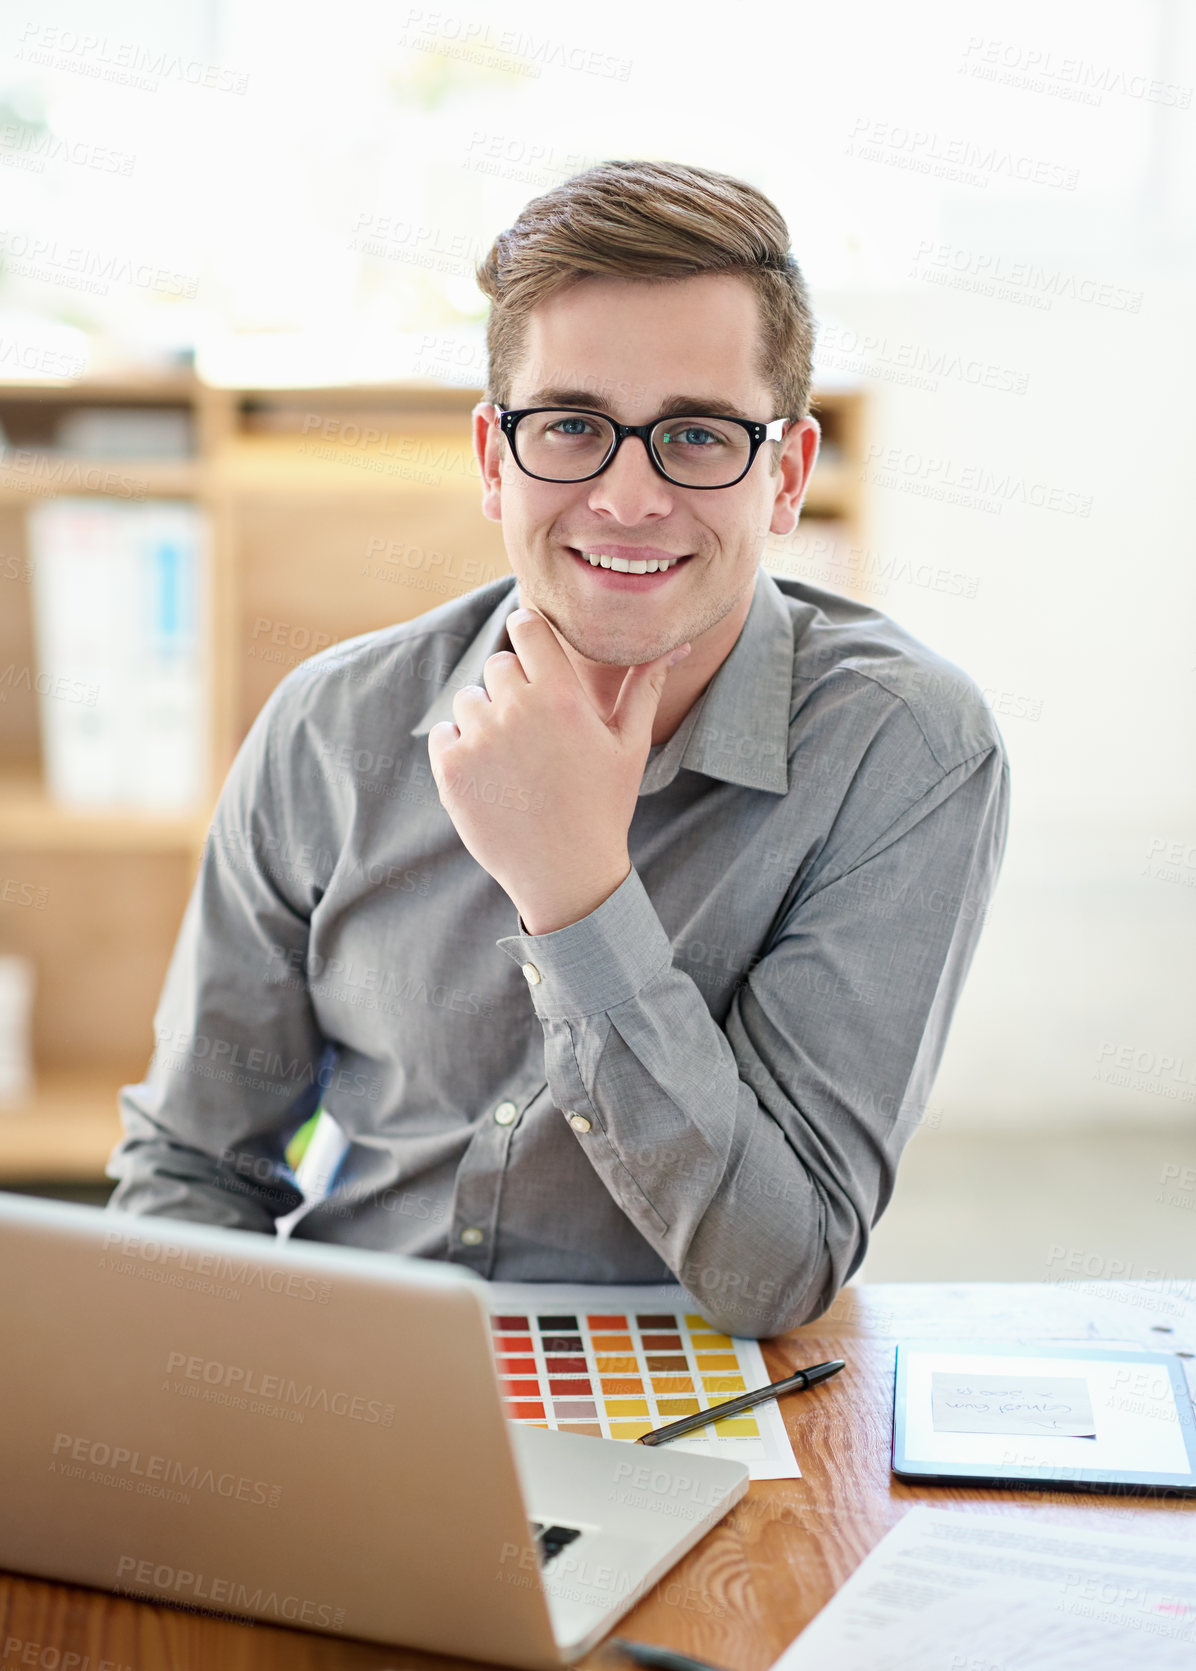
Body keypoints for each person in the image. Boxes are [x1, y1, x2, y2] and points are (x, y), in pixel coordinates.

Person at [107, 160, 1009, 1337]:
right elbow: (192, 1170)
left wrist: (574, 891)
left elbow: (776, 1272)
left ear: (783, 476)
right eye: (573, 426)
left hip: (696, 1399)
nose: (627, 500)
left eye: (694, 434)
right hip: (356, 1381)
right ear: (493, 458)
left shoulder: (903, 754)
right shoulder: (332, 728)